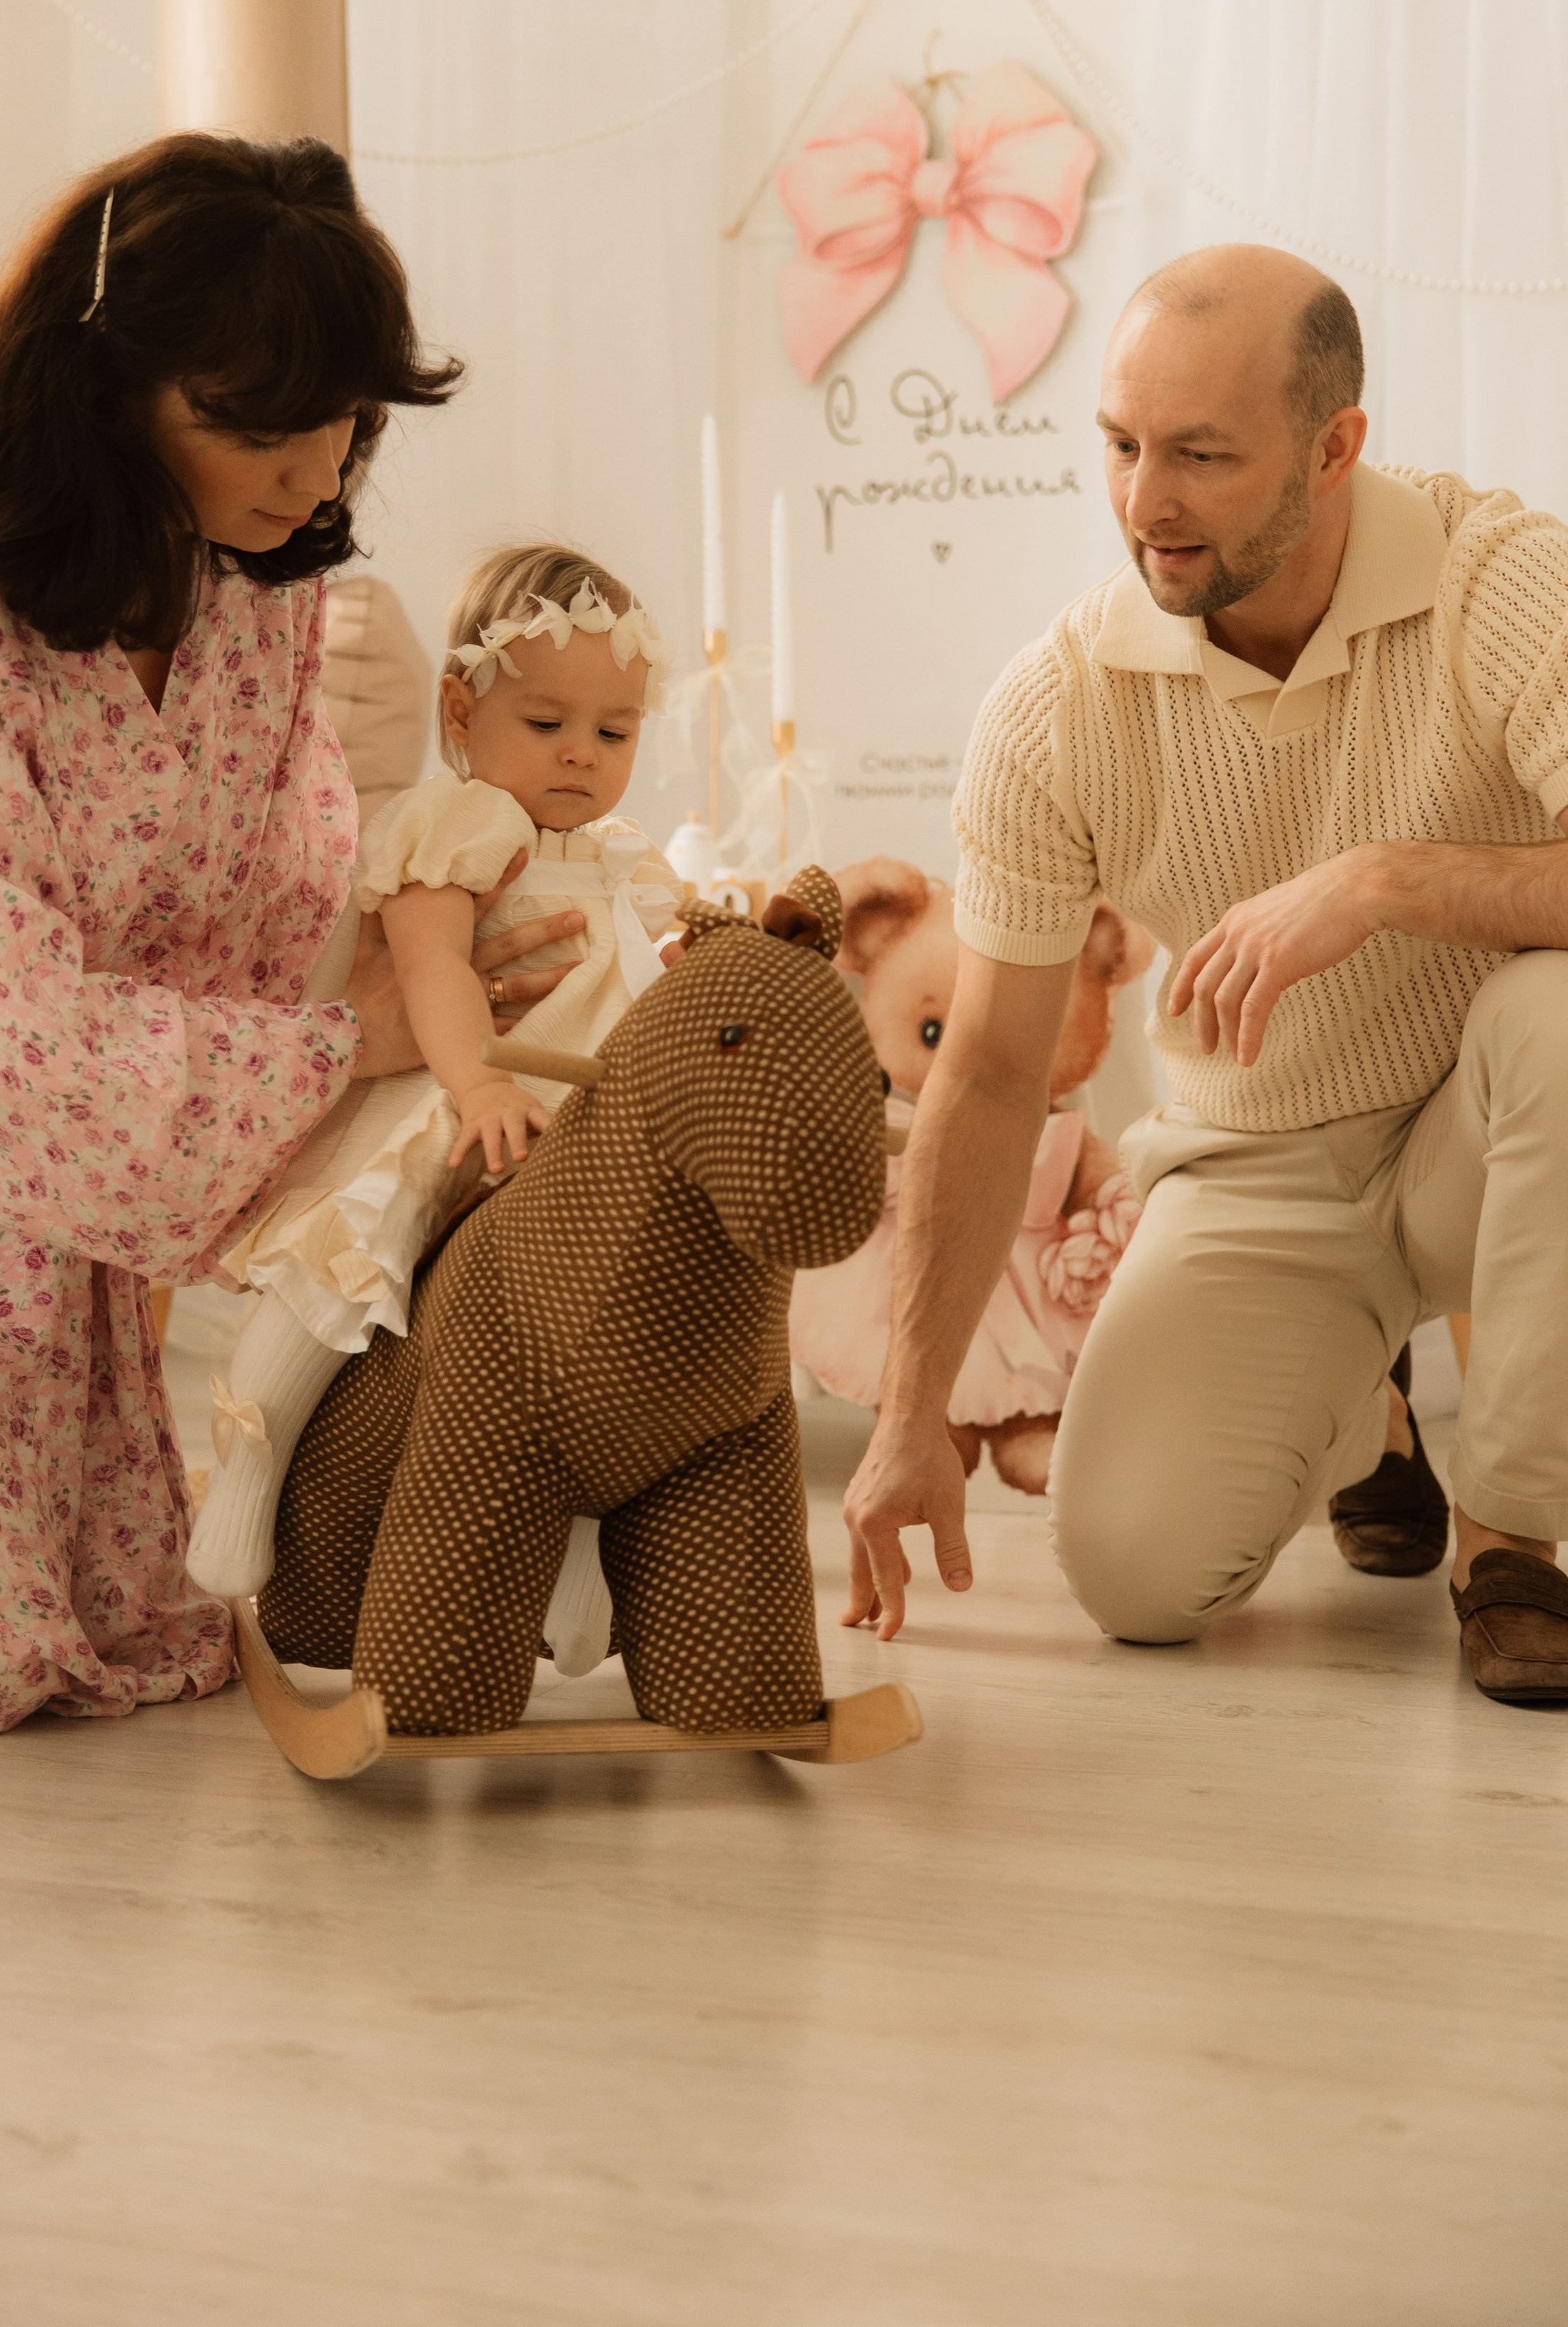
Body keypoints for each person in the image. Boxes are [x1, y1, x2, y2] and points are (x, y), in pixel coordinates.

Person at [0, 134, 585, 1737]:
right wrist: (362, 1037)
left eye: (346, 422)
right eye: (258, 431)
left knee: (143, 1627)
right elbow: (3, 1049)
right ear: (103, 389)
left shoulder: (251, 576)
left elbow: (256, 911)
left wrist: (416, 979)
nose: (318, 474)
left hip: (35, 1202)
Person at [844, 243, 1568, 1706]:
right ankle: (1368, 1420)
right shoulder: (1055, 710)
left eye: (1198, 456)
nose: (1141, 504)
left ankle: (1508, 1527)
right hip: (1261, 1166)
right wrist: (911, 1412)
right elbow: (985, 1073)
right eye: (1116, 446)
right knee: (1132, 1577)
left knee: (1557, 1016)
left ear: (1333, 448)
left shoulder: (1501, 580)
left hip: (1485, 1134)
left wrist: (1386, 881)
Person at [189, 540, 681, 1678]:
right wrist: (477, 1082)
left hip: (572, 1130)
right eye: (547, 724)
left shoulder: (619, 859)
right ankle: (249, 1458)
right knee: (366, 1235)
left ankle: (574, 1550)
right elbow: (433, 970)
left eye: (613, 734)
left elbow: (649, 984)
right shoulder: (457, 823)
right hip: (454, 1095)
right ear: (463, 711)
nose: (580, 758)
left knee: (602, 1321)